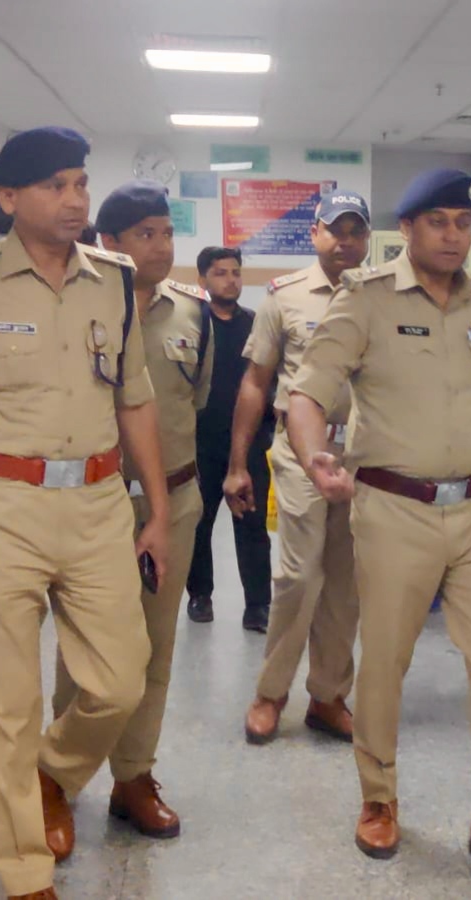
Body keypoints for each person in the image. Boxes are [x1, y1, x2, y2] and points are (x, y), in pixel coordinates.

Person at [0, 126, 172, 900]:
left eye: (80, 183)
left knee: (119, 680)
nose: (75, 199)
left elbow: (136, 400)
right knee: (6, 701)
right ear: (9, 198)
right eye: (56, 186)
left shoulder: (113, 281)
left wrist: (156, 510)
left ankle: (51, 772)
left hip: (98, 504)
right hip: (0, 508)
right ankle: (23, 868)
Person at [285, 168, 471, 879]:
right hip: (393, 508)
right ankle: (378, 798)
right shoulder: (365, 298)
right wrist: (315, 458)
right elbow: (306, 395)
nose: (453, 235)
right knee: (387, 663)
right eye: (438, 222)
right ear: (405, 229)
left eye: (463, 223)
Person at [42, 179, 213, 840]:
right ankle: (57, 779)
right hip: (92, 501)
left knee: (155, 647)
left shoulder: (193, 313)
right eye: (146, 234)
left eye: (168, 232)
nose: (162, 246)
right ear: (107, 242)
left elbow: (193, 402)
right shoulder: (74, 308)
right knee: (84, 649)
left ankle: (134, 776)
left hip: (175, 499)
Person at [225, 191, 371, 745]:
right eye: (336, 230)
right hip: (299, 453)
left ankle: (327, 696)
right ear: (315, 233)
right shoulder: (284, 297)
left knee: (347, 582)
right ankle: (271, 693)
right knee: (300, 576)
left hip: (363, 456)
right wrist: (238, 464)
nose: (346, 242)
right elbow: (256, 382)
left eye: (356, 231)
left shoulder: (380, 297)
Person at [188, 246, 274, 631]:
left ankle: (257, 606)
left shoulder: (256, 325)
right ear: (203, 279)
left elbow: (269, 380)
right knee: (199, 523)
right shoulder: (193, 324)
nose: (231, 280)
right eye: (220, 273)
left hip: (249, 444)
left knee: (252, 526)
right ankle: (200, 596)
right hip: (201, 443)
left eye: (236, 272)